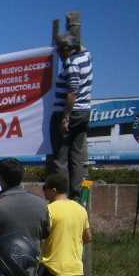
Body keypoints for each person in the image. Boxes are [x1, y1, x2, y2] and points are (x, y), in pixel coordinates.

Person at [47, 33, 93, 200]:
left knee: (60, 158)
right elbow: (83, 46)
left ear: (68, 49)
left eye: (60, 50)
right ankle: (76, 194)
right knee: (76, 156)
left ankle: (62, 194)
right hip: (84, 112)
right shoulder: (86, 56)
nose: (58, 53)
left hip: (70, 113)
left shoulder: (72, 64)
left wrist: (65, 117)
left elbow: (72, 92)